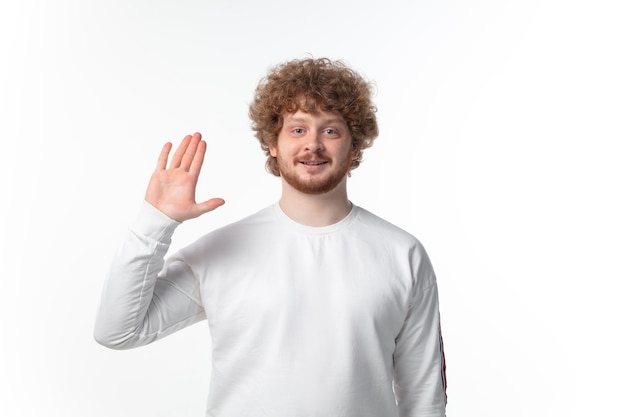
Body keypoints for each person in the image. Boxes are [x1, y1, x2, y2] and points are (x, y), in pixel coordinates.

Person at [94, 57, 447, 417]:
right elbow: (117, 331)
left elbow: (423, 393)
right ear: (273, 145)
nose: (313, 144)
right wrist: (156, 222)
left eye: (330, 131)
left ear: (354, 147)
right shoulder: (221, 251)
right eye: (297, 130)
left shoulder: (402, 254)